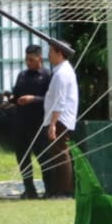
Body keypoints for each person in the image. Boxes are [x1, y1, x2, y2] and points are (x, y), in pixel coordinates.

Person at [7, 44, 51, 199]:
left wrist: (34, 99)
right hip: (21, 122)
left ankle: (49, 189)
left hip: (38, 123)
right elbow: (16, 96)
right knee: (22, 157)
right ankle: (29, 189)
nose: (28, 63)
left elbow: (51, 99)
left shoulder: (47, 76)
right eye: (26, 60)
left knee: (43, 158)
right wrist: (10, 98)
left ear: (39, 58)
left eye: (31, 60)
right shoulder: (22, 75)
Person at [41, 40, 79, 198]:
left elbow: (59, 101)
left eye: (51, 51)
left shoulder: (62, 73)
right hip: (60, 119)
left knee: (61, 154)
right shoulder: (62, 71)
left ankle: (64, 190)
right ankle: (59, 189)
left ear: (60, 53)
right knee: (58, 154)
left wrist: (53, 124)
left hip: (60, 119)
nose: (48, 54)